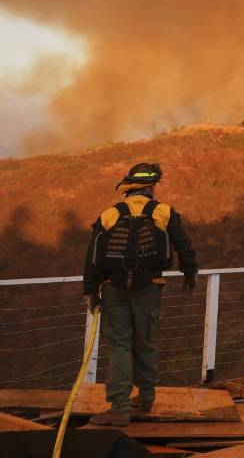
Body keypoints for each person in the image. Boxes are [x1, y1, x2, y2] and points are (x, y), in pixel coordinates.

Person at [83, 163, 198, 426]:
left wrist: (90, 291)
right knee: (146, 341)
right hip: (150, 287)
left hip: (114, 288)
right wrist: (190, 274)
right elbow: (184, 247)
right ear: (150, 187)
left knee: (119, 346)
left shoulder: (110, 214)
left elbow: (91, 258)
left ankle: (120, 408)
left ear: (129, 187)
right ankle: (146, 399)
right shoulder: (164, 212)